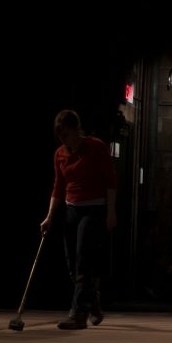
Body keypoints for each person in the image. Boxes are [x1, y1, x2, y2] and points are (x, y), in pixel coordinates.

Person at [40, 110, 117, 330]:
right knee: (72, 263)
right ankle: (92, 300)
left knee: (83, 258)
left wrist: (111, 213)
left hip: (95, 209)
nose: (63, 140)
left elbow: (110, 182)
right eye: (60, 136)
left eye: (66, 135)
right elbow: (58, 187)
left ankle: (78, 314)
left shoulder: (96, 147)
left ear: (76, 130)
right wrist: (49, 217)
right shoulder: (60, 154)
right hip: (71, 209)